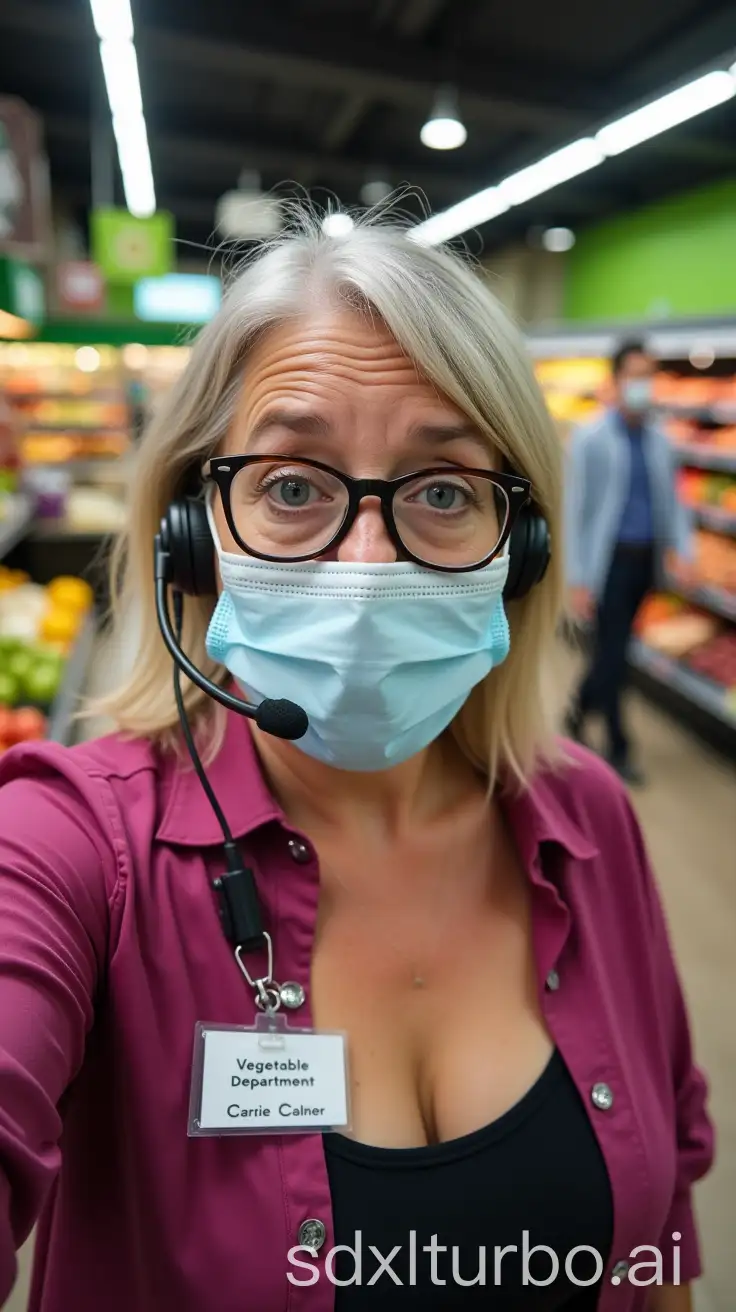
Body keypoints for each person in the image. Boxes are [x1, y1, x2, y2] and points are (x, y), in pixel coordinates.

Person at [0, 217, 712, 1312]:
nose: (365, 568)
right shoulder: (71, 850)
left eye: (441, 491)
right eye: (291, 487)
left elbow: (659, 1235)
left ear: (516, 551)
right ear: (193, 533)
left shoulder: (588, 819)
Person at [564, 340, 693, 785]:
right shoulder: (591, 436)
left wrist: (684, 549)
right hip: (609, 563)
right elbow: (575, 507)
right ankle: (619, 746)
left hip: (645, 563)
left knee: (612, 650)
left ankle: (578, 709)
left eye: (648, 374)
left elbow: (672, 500)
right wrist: (577, 577)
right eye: (635, 374)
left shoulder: (659, 438)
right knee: (616, 654)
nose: (643, 384)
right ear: (616, 381)